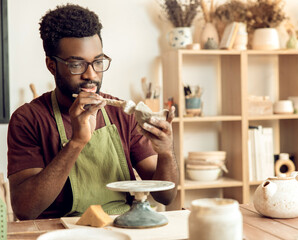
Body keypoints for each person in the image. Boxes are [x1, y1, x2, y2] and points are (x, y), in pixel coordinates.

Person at [7, 4, 179, 220]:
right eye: (77, 64)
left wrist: (165, 152)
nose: (91, 75)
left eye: (98, 62)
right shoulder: (28, 119)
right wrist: (76, 143)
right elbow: (25, 209)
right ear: (51, 66)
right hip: (60, 231)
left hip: (121, 225)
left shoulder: (122, 114)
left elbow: (166, 196)